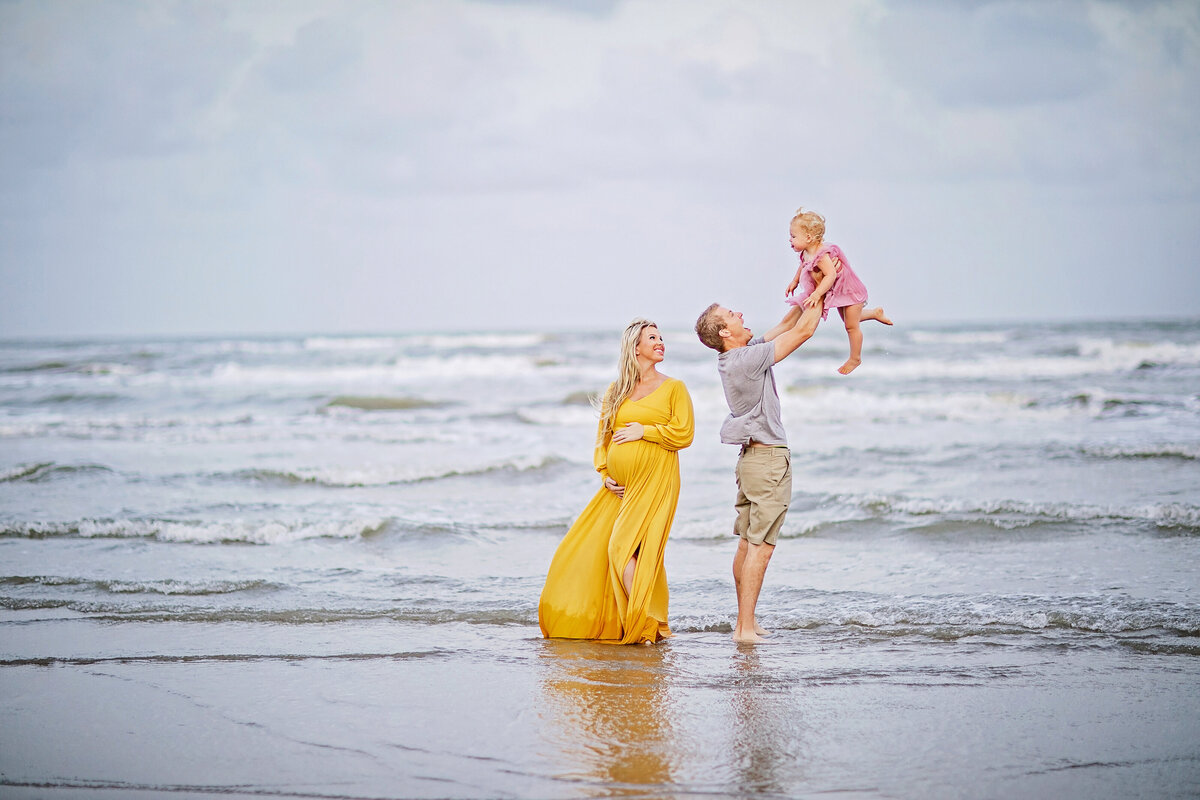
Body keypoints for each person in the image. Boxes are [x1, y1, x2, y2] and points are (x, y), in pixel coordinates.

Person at [539, 318, 694, 644]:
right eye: (652, 337)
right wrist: (605, 474)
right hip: (619, 489)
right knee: (595, 549)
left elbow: (684, 433)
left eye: (661, 337)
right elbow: (603, 438)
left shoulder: (674, 388)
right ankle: (647, 625)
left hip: (657, 482)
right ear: (635, 347)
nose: (660, 342)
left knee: (625, 550)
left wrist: (645, 431)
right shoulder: (616, 390)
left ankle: (644, 625)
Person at [694, 302, 823, 643]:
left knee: (746, 545)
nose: (739, 313)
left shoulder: (738, 355)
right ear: (725, 332)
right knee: (761, 547)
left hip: (752, 460)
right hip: (766, 462)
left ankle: (744, 624)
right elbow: (804, 331)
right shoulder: (747, 359)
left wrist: (808, 294)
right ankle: (745, 628)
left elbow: (787, 323)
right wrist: (829, 285)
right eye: (732, 314)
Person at [785, 207, 892, 375]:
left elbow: (830, 275)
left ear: (808, 237)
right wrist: (794, 281)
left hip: (849, 290)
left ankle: (855, 358)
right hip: (841, 292)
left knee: (851, 326)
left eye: (793, 236)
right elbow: (802, 266)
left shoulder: (822, 255)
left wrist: (817, 293)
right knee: (849, 318)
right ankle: (875, 313)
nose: (789, 240)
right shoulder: (807, 253)